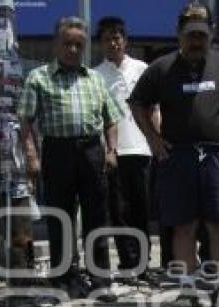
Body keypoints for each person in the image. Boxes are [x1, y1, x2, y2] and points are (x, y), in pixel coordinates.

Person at [129, 2, 219, 307]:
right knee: (183, 225)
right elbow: (138, 103)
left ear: (210, 33)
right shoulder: (161, 67)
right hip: (178, 156)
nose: (196, 41)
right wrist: (153, 138)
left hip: (218, 155)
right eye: (190, 35)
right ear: (179, 34)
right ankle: (187, 289)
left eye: (202, 34)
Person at [19, 17, 123, 302]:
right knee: (60, 218)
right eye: (68, 44)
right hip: (57, 151)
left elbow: (111, 119)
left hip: (92, 151)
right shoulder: (39, 78)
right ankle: (65, 278)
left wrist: (112, 151)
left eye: (79, 44)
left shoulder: (95, 78)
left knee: (96, 217)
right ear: (56, 45)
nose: (73, 49)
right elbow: (25, 122)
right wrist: (32, 156)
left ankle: (100, 279)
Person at [93, 17, 156, 284]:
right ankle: (129, 265)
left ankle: (143, 266)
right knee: (119, 212)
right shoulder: (95, 74)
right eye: (107, 38)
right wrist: (108, 150)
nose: (113, 42)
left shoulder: (143, 69)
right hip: (114, 152)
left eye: (117, 37)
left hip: (142, 149)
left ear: (125, 40)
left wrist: (157, 140)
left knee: (142, 210)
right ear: (101, 43)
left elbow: (154, 108)